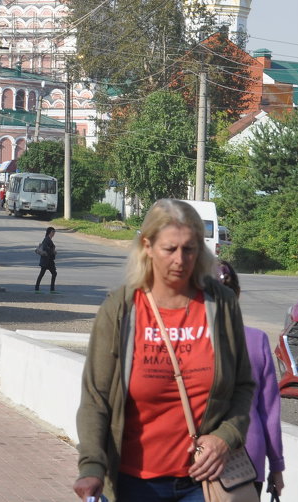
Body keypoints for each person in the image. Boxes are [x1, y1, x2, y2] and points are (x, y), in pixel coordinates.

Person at [74, 199, 255, 502]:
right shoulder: (121, 309)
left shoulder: (221, 304)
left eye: (190, 249)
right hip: (135, 484)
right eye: (169, 249)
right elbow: (96, 397)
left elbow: (243, 385)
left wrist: (226, 437)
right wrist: (91, 465)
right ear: (147, 245)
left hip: (206, 482)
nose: (180, 260)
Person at [216, 261, 285, 499]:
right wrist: (277, 466)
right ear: (237, 294)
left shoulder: (186, 343)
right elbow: (269, 412)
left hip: (199, 459)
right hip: (248, 459)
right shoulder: (257, 340)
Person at [34, 226, 58, 293]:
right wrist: (53, 251)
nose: (54, 233)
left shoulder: (48, 239)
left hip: (49, 260)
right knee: (48, 274)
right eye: (53, 232)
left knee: (53, 273)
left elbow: (48, 248)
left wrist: (53, 251)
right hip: (46, 260)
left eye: (54, 232)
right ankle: (39, 289)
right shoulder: (46, 239)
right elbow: (45, 248)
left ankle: (39, 288)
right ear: (50, 232)